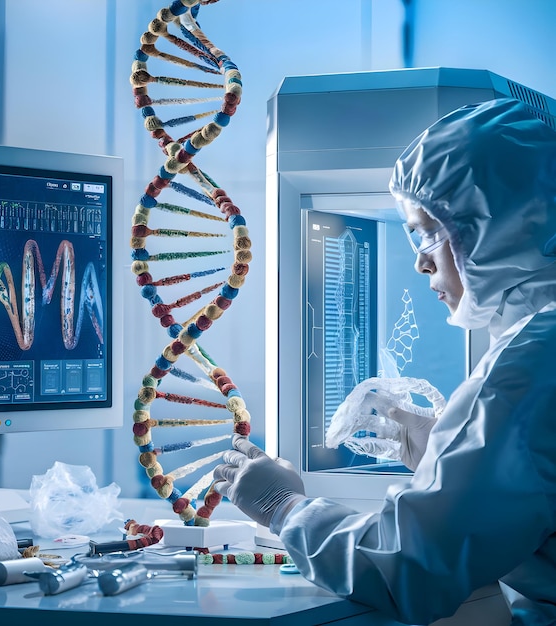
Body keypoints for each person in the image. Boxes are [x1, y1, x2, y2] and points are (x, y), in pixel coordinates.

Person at [213, 97, 556, 625]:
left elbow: (407, 572)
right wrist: (459, 466)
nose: (419, 261)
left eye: (427, 232)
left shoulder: (524, 372)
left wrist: (284, 507)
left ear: (497, 229)